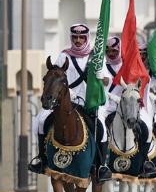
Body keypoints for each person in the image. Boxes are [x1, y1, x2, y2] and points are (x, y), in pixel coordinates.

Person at [30, 23, 107, 179]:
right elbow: (55, 75)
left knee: (102, 128)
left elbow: (106, 81)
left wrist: (98, 77)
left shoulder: (96, 56)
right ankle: (42, 158)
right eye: (75, 37)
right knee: (39, 121)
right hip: (65, 100)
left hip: (87, 101)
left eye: (81, 37)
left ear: (86, 38)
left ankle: (101, 165)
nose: (78, 40)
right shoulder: (64, 55)